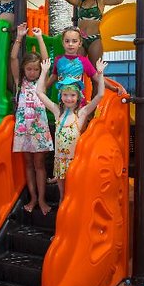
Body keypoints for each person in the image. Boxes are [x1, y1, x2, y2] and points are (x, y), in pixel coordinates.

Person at [35, 57, 107, 202]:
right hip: (60, 162)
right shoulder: (57, 111)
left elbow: (100, 95)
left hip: (75, 162)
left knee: (75, 194)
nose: (69, 98)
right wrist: (44, 72)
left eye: (72, 95)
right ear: (60, 96)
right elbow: (39, 93)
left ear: (78, 96)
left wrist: (100, 74)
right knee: (63, 196)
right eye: (65, 95)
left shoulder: (82, 113)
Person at [10, 22, 52, 214]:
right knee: (28, 165)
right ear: (24, 69)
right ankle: (33, 197)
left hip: (40, 130)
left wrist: (40, 37)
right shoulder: (20, 82)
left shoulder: (42, 83)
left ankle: (42, 199)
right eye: (29, 69)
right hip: (24, 130)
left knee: (39, 165)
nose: (33, 72)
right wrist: (19, 37)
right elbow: (13, 58)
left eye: (35, 69)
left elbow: (46, 60)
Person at [62, 0, 136, 65]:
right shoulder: (80, 2)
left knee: (96, 70)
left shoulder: (100, 1)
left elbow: (119, 0)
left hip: (94, 40)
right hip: (80, 40)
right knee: (75, 68)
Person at [40, 26, 98, 91]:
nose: (70, 44)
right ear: (63, 43)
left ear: (80, 43)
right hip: (62, 96)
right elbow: (54, 76)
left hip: (77, 96)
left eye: (74, 41)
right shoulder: (58, 60)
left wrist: (108, 86)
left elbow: (96, 77)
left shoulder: (83, 61)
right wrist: (43, 89)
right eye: (67, 41)